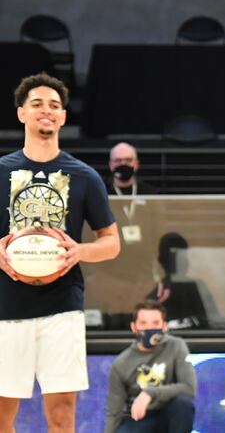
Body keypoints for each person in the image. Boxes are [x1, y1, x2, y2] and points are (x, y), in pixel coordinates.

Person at [0, 72, 121, 432]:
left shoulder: (83, 176)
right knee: (3, 413)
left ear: (64, 117)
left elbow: (111, 242)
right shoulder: (1, 170)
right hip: (6, 308)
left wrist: (78, 251)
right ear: (21, 113)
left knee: (62, 413)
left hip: (62, 306)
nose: (46, 111)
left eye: (55, 106)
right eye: (37, 104)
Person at [105, 300, 196, 433]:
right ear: (134, 327)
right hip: (140, 419)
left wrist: (149, 393)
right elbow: (114, 412)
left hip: (169, 414)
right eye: (143, 323)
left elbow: (189, 388)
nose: (149, 328)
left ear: (164, 326)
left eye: (155, 323)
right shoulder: (122, 362)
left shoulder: (177, 346)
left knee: (183, 404)